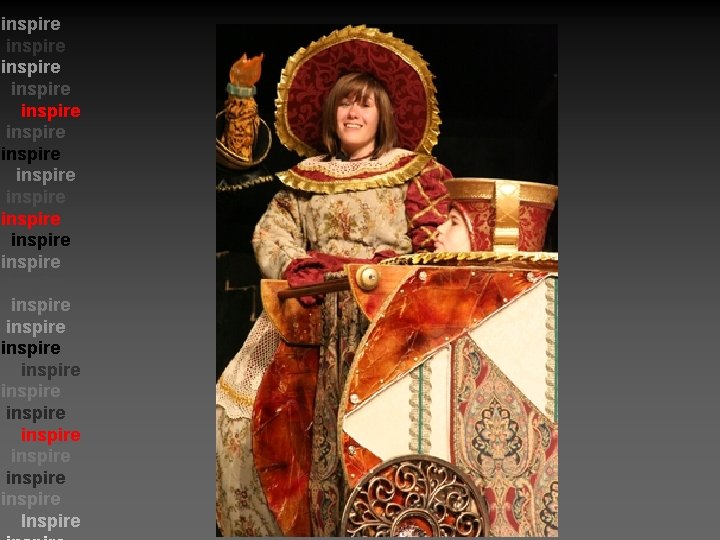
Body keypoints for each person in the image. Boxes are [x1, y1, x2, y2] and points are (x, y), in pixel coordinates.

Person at [215, 25, 454, 537]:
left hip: (384, 314)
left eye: (364, 104)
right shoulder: (306, 179)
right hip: (311, 308)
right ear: (331, 113)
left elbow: (435, 240)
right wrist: (300, 268)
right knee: (240, 406)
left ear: (381, 114)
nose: (353, 113)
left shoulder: (412, 172)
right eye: (345, 103)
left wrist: (392, 269)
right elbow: (271, 233)